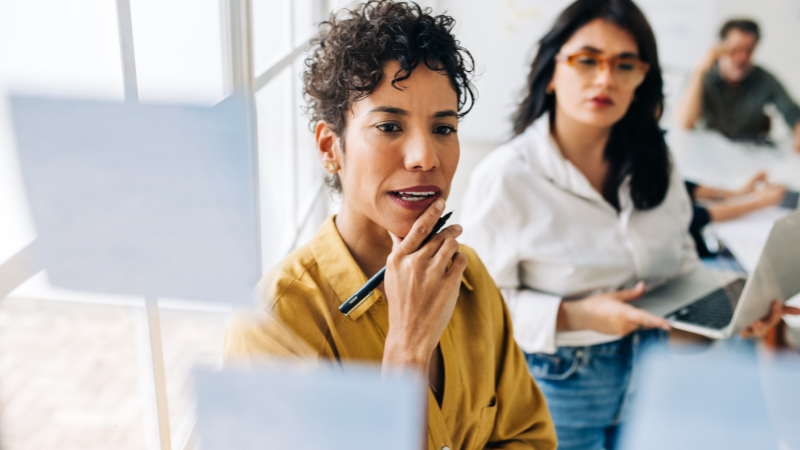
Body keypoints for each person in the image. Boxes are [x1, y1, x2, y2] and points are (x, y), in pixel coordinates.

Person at [459, 1, 799, 449]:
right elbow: (473, 312)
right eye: (587, 60)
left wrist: (731, 316)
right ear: (552, 70)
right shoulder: (506, 177)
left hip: (655, 370)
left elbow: (677, 269)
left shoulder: (655, 161)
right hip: (554, 384)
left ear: (642, 79)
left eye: (624, 65)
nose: (606, 79)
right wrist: (578, 315)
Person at [223, 2, 556, 449]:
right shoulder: (273, 326)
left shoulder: (469, 276)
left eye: (443, 129)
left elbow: (528, 437)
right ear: (330, 148)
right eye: (389, 126)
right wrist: (407, 351)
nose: (425, 157)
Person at [675, 19, 800, 150]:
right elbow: (685, 123)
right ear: (720, 48)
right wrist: (700, 70)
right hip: (708, 152)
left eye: (749, 51)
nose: (742, 57)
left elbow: (794, 115)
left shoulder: (764, 78)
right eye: (735, 49)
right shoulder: (702, 75)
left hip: (749, 153)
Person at [685, 171, 787, 257]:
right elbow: (695, 216)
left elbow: (683, 187)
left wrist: (737, 193)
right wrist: (759, 203)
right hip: (696, 248)